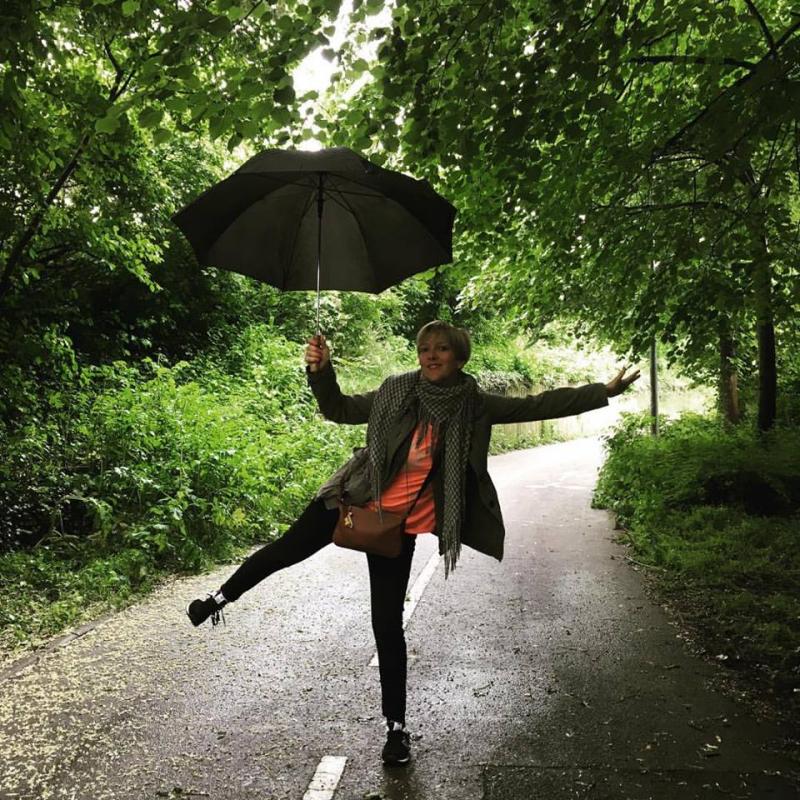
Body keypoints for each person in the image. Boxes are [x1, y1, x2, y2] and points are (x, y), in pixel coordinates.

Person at [186, 320, 639, 766]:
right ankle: (218, 598)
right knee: (284, 551)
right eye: (425, 349)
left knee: (386, 624)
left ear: (459, 358)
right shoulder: (396, 393)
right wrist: (320, 371)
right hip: (353, 499)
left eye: (442, 349)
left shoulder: (474, 405)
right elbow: (338, 409)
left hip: (395, 529)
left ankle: (396, 730)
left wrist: (604, 391)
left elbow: (537, 404)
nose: (431, 356)